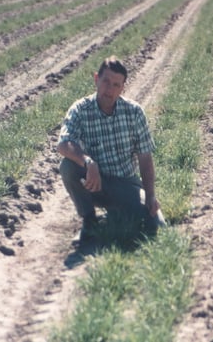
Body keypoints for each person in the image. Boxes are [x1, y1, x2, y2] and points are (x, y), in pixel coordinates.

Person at [57, 56, 162, 243]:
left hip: (126, 184)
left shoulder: (134, 112)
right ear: (96, 79)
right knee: (68, 166)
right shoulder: (80, 109)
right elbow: (63, 144)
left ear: (122, 88)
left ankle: (116, 213)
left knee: (156, 225)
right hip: (94, 183)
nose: (110, 89)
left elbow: (145, 159)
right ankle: (90, 221)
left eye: (116, 84)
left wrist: (151, 196)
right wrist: (88, 162)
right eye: (106, 81)